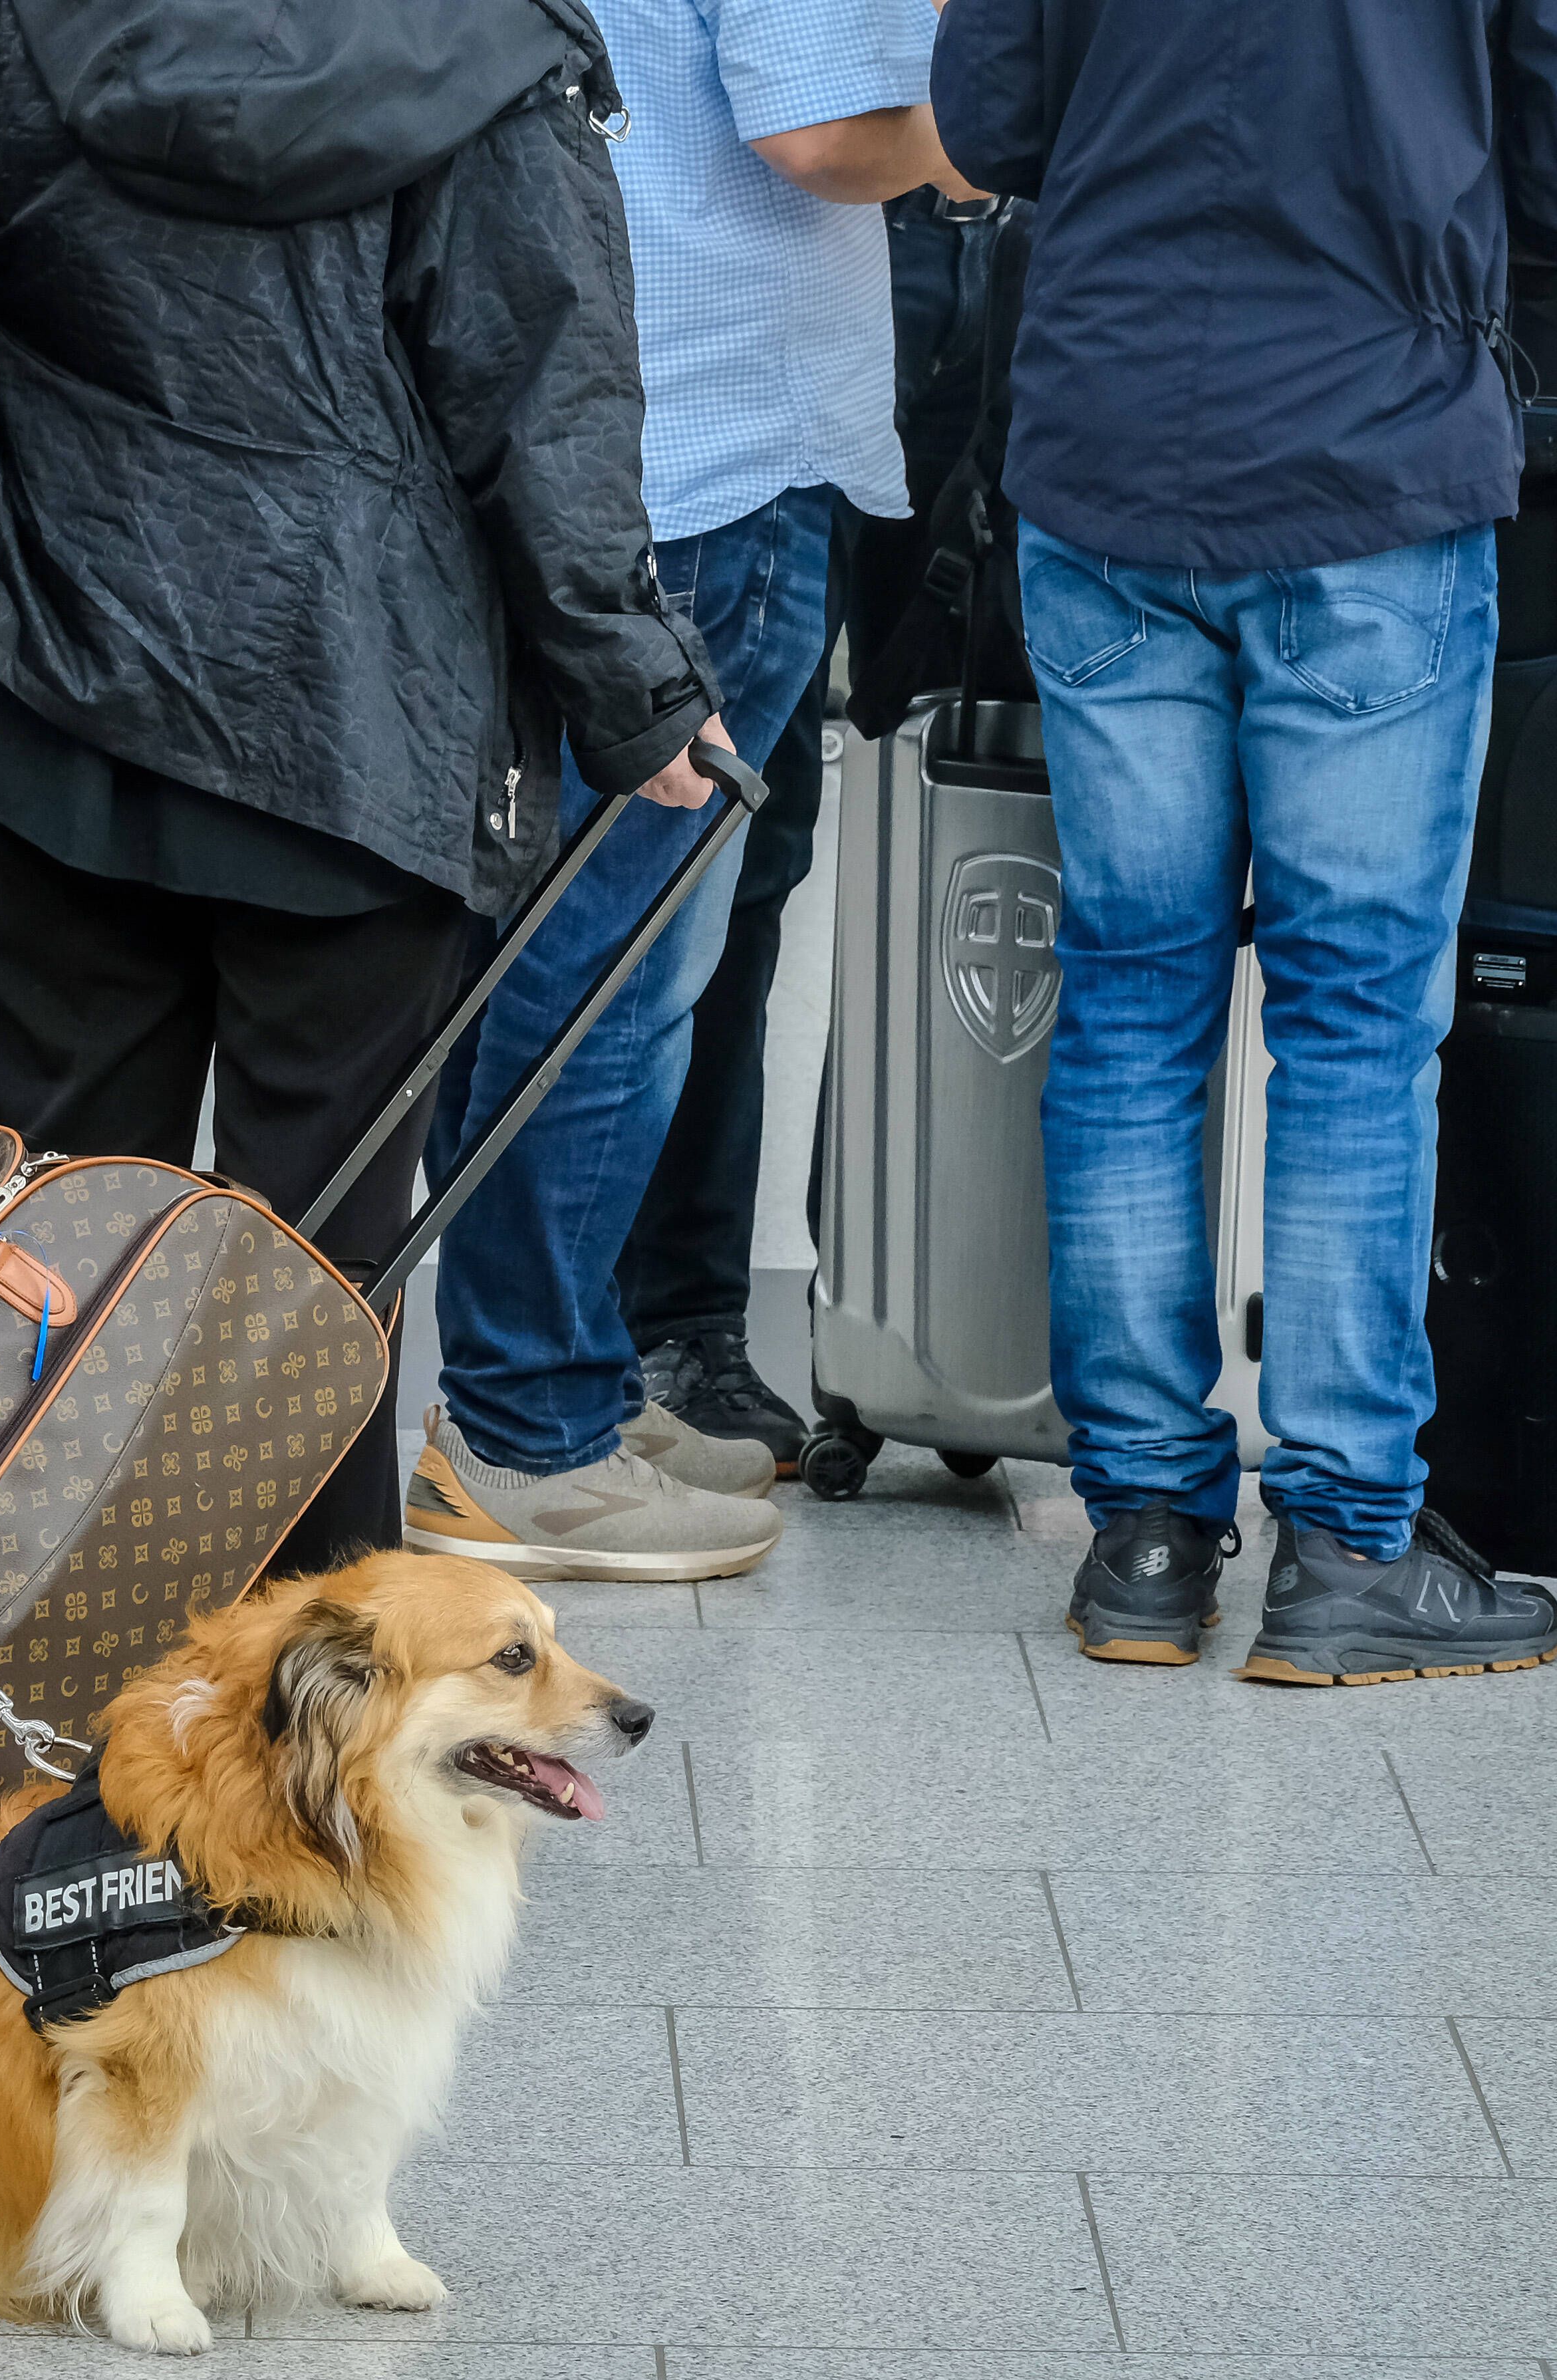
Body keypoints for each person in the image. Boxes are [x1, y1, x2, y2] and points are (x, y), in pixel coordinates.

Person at [0, 0, 726, 1575]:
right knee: (320, 1272)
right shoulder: (486, 42)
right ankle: (314, 1731)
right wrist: (637, 686)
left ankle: (46, 1691)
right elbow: (542, 401)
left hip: (47, 673)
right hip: (350, 719)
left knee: (64, 1230)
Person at [934, 0, 1557, 1683]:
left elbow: (987, 121)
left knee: (1127, 1003)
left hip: (1107, 448)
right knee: (1354, 1024)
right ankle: (1343, 1542)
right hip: (1370, 454)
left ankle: (1146, 1537)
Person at [410, 0, 963, 1583]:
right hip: (718, 452)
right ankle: (532, 1436)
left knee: (546, 953)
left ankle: (554, 1379)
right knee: (613, 981)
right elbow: (819, 135)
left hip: (593, 444)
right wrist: (1001, 123)